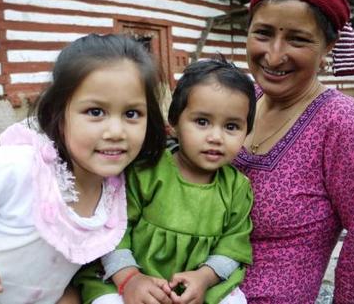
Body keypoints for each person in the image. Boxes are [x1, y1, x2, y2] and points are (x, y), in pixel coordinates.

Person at [0, 34, 166, 304]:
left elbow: (58, 270)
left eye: (132, 114)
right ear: (58, 115)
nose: (116, 132)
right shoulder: (20, 167)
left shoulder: (115, 188)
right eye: (95, 112)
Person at [232, 0, 354, 303]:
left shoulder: (351, 131)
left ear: (328, 47)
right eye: (263, 33)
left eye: (297, 39)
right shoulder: (236, 103)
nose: (274, 55)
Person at [74, 57, 256, 304]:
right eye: (202, 122)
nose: (216, 137)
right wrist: (130, 279)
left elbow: (232, 247)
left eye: (232, 126)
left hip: (196, 287)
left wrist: (204, 277)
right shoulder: (146, 172)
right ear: (175, 122)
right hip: (131, 278)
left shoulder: (237, 188)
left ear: (247, 132)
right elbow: (113, 232)